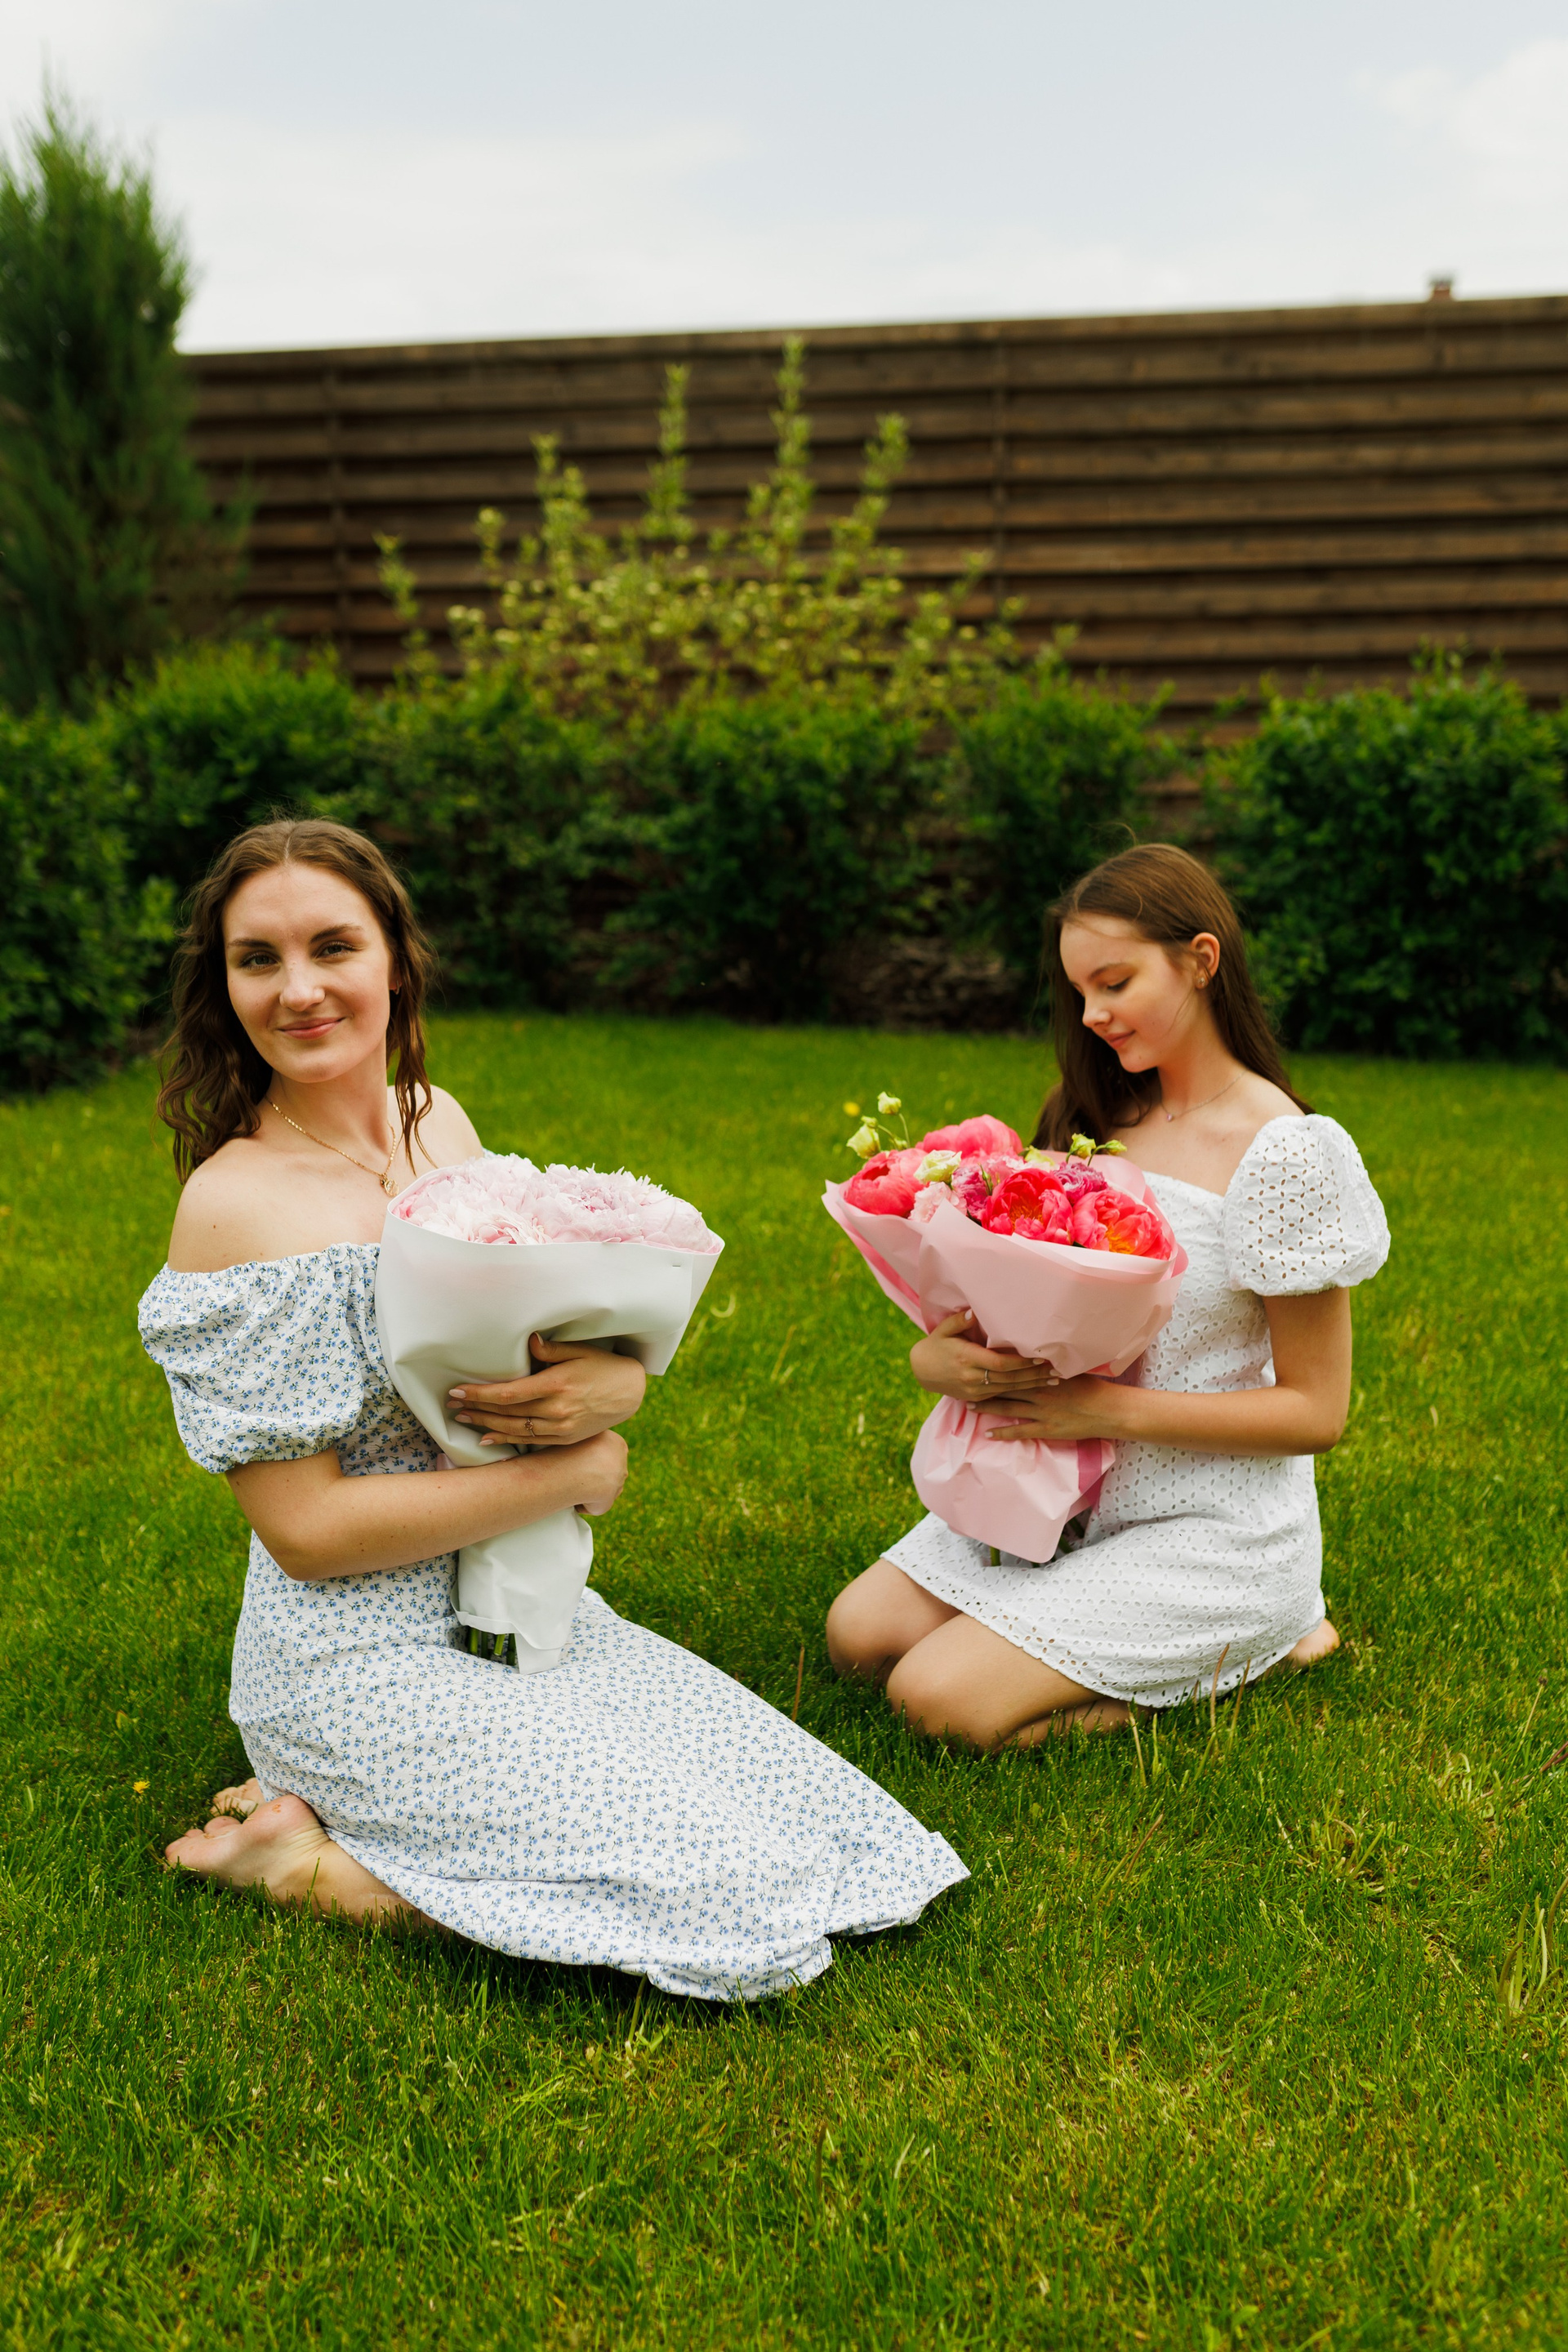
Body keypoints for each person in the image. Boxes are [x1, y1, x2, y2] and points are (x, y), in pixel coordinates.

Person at [140, 817, 965, 2000]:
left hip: (517, 1603)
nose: (300, 988)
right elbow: (305, 1534)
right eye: (257, 959)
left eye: (333, 946)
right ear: (224, 988)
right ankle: (306, 1862)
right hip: (353, 1661)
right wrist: (568, 1474)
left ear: (395, 960)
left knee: (823, 1825)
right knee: (727, 1897)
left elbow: (528, 1351)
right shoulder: (236, 1207)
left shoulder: (437, 1124)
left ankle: (340, 1816)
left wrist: (613, 1387)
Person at [826, 843, 1390, 1749]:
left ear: (1201, 961)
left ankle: (1274, 1634)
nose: (1092, 1015)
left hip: (1209, 1529)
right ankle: (1145, 1631)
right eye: (1079, 991)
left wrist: (1103, 1410)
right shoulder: (1090, 1117)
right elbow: (1013, 1317)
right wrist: (937, 1359)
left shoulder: (1284, 1152)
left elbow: (1315, 1412)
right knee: (858, 1638)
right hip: (1058, 1495)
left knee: (934, 1700)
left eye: (1115, 983)